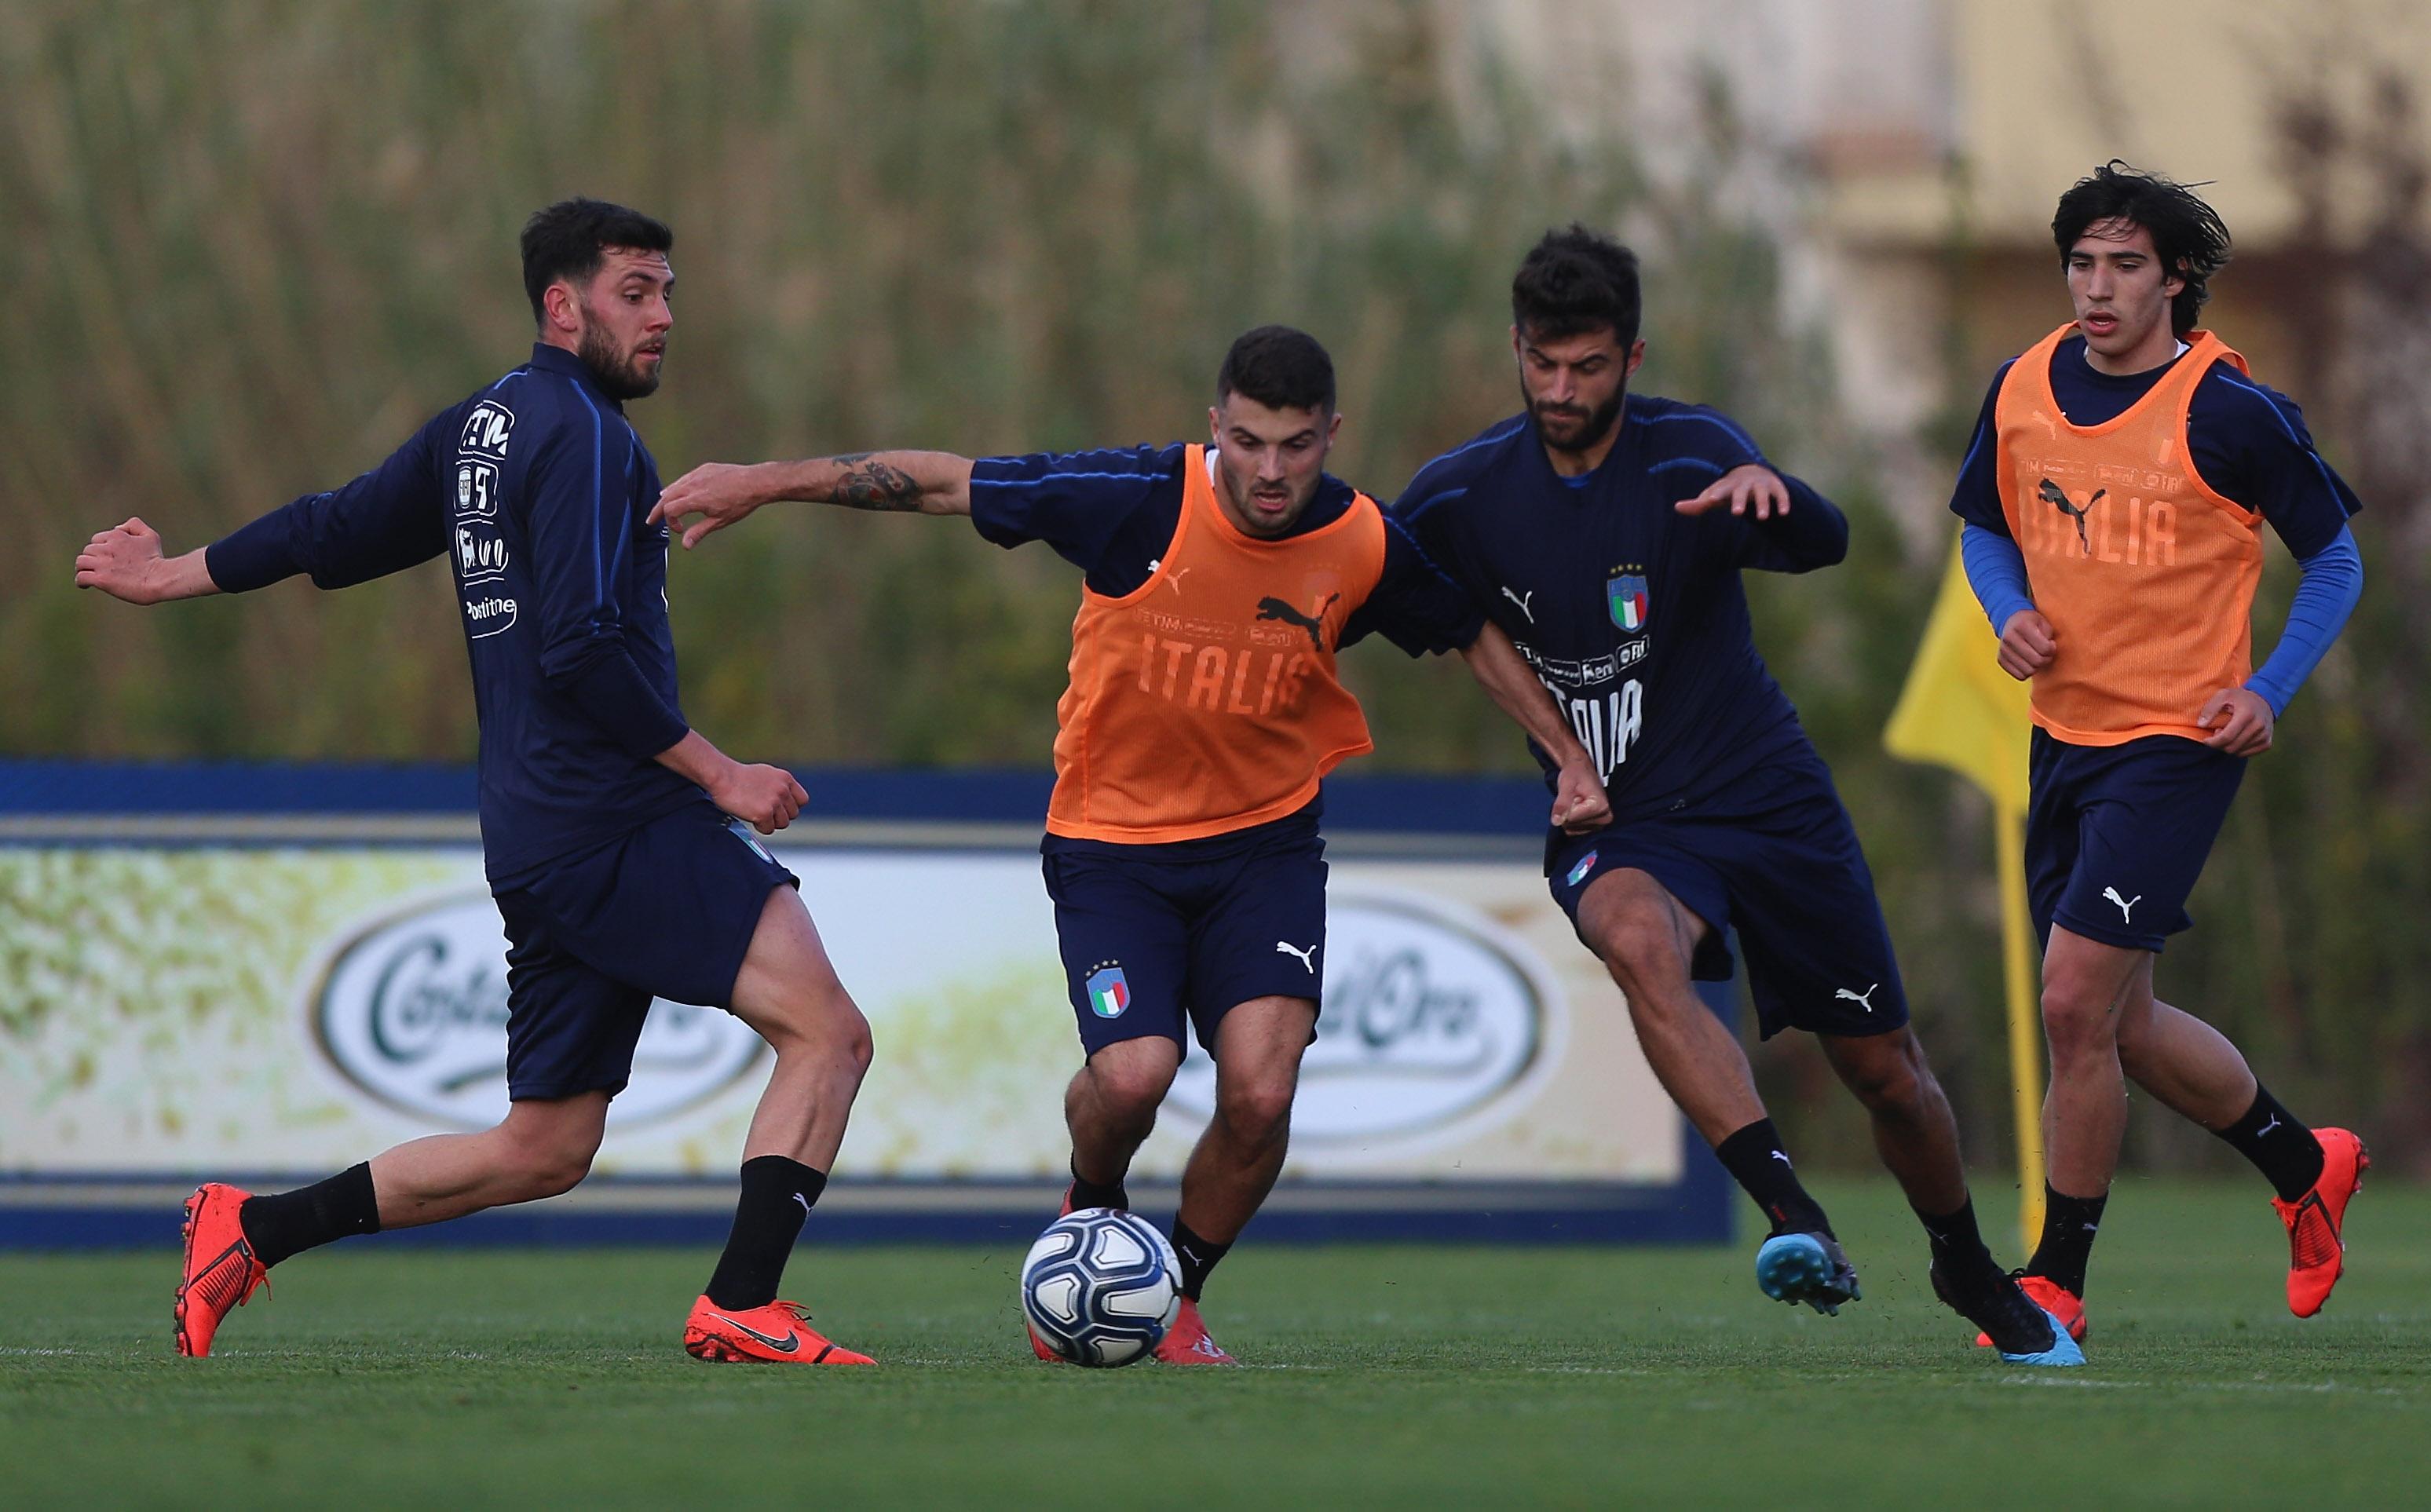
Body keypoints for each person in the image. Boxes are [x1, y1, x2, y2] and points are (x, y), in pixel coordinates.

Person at [653, 325, 1610, 1364]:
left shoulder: (1365, 541)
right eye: (1249, 442)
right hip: (1113, 849)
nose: (1272, 470)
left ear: (1333, 434)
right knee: (1136, 1075)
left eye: (1296, 445)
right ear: (1216, 427)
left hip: (1266, 851)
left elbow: (1467, 628)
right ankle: (1091, 1204)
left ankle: (1174, 1294)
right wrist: (763, 480)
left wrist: (1567, 755)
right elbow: (938, 484)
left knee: (1262, 1091)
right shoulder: (1136, 501)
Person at [75, 199, 878, 1367]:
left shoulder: (484, 427)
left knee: (543, 1147)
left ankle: (249, 1227)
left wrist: (169, 579)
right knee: (832, 1034)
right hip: (619, 819)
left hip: (538, 833)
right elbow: (583, 649)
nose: (661, 318)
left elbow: (330, 529)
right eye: (636, 291)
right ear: (564, 305)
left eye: (666, 293)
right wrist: (721, 772)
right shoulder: (594, 438)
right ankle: (743, 1300)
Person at [1391, 226, 2079, 1364]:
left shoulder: (1688, 454)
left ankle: (1963, 1259)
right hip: (1615, 816)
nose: (1564, 390)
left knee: (1886, 1073)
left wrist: (1780, 496)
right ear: (1516, 349)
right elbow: (1358, 580)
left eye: (1591, 366)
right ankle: (1793, 1214)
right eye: (1544, 365)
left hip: (1765, 799)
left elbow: (1828, 537)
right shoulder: (1461, 496)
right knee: (1631, 936)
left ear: (1633, 354)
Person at [1949, 162, 2367, 1342]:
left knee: (2072, 1004)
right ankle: (2305, 1162)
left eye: (2125, 265)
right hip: (2062, 735)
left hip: (2178, 742)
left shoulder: (2231, 409)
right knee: (2122, 1025)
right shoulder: (2023, 383)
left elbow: (2336, 562)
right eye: (2082, 263)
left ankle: (2053, 1281)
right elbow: (1988, 527)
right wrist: (2007, 611)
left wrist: (2267, 689)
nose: (2097, 286)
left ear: (2175, 280)